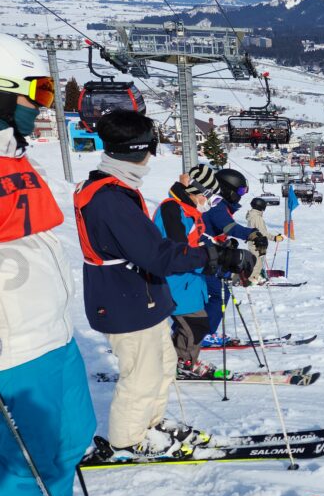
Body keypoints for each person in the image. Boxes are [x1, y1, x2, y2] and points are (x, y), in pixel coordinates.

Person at [73, 111, 254, 459]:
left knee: (163, 363)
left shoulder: (116, 189)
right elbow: (157, 255)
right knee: (141, 374)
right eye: (150, 149)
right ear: (140, 150)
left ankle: (150, 423)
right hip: (123, 298)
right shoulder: (109, 198)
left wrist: (213, 254)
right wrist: (214, 257)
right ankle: (126, 440)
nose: (151, 159)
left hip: (141, 296)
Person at [0, 35, 104, 496]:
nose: (42, 104)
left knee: (72, 435)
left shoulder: (14, 158)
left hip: (54, 332)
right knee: (25, 460)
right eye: (33, 91)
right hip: (13, 346)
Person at [151, 164, 223, 378]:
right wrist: (208, 260)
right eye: (212, 199)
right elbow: (179, 252)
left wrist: (217, 252)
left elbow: (195, 241)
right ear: (198, 193)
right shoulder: (172, 210)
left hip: (189, 281)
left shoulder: (187, 210)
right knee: (195, 325)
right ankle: (183, 363)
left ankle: (178, 360)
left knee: (195, 326)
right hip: (175, 281)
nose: (210, 205)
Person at [202, 168, 267, 335]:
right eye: (239, 191)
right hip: (202, 258)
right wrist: (251, 234)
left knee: (216, 294)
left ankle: (199, 333)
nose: (241, 195)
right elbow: (228, 226)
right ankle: (204, 333)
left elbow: (213, 230)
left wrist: (225, 242)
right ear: (226, 188)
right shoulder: (216, 204)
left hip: (208, 255)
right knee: (217, 295)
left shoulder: (218, 204)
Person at [245, 196, 283, 284]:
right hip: (257, 243)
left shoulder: (253, 215)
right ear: (260, 207)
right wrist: (274, 238)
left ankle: (255, 277)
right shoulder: (257, 218)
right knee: (257, 262)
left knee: (257, 261)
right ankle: (252, 280)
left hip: (254, 242)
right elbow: (262, 232)